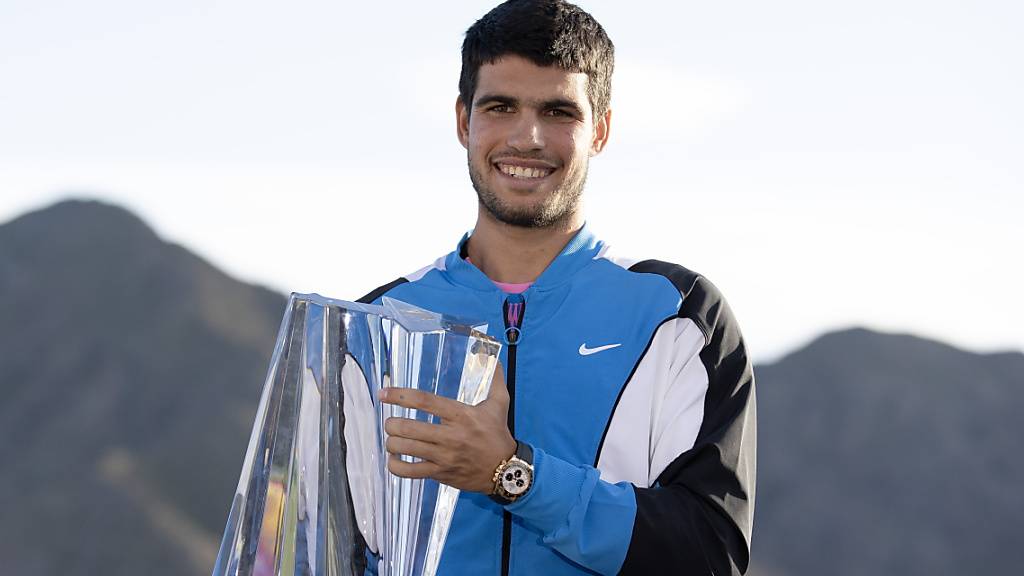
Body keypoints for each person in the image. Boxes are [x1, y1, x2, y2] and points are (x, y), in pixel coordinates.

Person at [359, 1, 755, 574]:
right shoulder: (380, 322)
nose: (529, 137)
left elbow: (711, 554)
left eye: (558, 111)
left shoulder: (679, 317)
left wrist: (514, 474)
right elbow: (320, 544)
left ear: (601, 129)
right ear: (463, 121)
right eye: (501, 107)